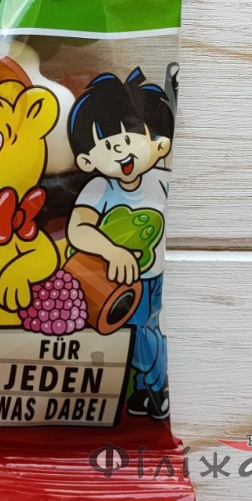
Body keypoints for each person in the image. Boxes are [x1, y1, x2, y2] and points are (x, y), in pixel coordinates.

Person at [66, 68, 174, 421]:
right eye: (108, 146)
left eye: (130, 139)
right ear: (86, 161)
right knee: (131, 334)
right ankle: (148, 388)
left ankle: (150, 390)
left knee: (144, 333)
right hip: (112, 281)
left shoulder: (161, 180)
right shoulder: (98, 188)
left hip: (151, 279)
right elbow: (78, 228)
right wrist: (110, 250)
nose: (122, 152)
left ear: (157, 143)